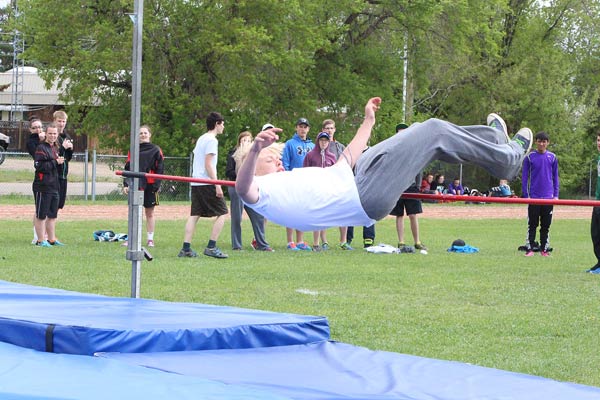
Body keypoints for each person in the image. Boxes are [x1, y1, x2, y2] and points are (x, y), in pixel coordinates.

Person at [235, 97, 532, 233]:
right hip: (365, 195)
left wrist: (368, 121)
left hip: (358, 175)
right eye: (269, 157)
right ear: (251, 163)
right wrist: (257, 149)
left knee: (419, 132)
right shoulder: (263, 192)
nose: (277, 159)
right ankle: (508, 159)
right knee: (433, 131)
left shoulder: (292, 179)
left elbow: (346, 159)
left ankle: (494, 138)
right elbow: (242, 186)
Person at [178, 112, 229, 259]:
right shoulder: (212, 140)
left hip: (196, 182)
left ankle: (185, 248)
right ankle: (211, 247)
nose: (223, 127)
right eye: (222, 124)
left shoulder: (201, 138)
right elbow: (208, 164)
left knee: (194, 215)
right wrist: (217, 184)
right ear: (217, 124)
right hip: (207, 182)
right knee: (223, 213)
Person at [226, 130, 273, 252]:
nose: (246, 142)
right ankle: (237, 245)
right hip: (235, 187)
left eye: (248, 140)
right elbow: (229, 171)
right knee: (237, 217)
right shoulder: (233, 153)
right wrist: (241, 176)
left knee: (258, 215)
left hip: (250, 188)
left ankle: (261, 244)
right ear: (239, 142)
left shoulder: (254, 155)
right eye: (243, 140)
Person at [123, 125, 165, 247]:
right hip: (136, 184)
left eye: (145, 133)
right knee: (134, 212)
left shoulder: (156, 149)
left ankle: (150, 239)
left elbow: (160, 168)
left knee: (149, 212)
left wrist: (157, 184)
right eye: (140, 133)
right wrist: (126, 183)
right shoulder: (133, 149)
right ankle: (132, 238)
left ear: (149, 135)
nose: (143, 135)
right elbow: (128, 167)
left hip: (151, 185)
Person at [389, 123, 427, 253]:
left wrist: (417, 185)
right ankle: (401, 241)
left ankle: (417, 241)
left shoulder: (414, 150)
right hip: (397, 187)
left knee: (413, 215)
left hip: (411, 187)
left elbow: (419, 168)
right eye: (400, 132)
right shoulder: (393, 149)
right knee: (399, 215)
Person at [521, 131, 559, 257]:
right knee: (532, 224)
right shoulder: (529, 157)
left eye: (544, 141)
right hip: (534, 197)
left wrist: (556, 195)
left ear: (548, 143)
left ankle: (544, 249)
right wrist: (526, 195)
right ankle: (530, 247)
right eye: (539, 141)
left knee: (546, 225)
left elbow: (555, 177)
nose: (542, 144)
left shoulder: (552, 157)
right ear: (536, 142)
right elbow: (525, 177)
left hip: (548, 197)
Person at [281, 117, 314, 251]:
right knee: (291, 211)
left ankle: (300, 240)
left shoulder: (312, 145)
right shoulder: (290, 144)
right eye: (300, 126)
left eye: (305, 127)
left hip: (306, 182)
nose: (303, 129)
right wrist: (287, 177)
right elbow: (285, 162)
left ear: (308, 129)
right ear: (296, 128)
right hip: (293, 181)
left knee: (302, 211)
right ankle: (290, 241)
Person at [322, 119, 354, 250]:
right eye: (327, 128)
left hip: (339, 183)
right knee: (323, 213)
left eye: (331, 128)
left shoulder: (340, 147)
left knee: (343, 212)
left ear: (334, 130)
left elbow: (347, 164)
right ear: (323, 130)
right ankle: (324, 242)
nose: (329, 130)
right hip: (324, 184)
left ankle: (343, 241)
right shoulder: (319, 146)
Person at [303, 131, 337, 251]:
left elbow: (334, 174)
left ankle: (324, 241)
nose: (324, 143)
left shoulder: (332, 156)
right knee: (316, 215)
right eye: (321, 140)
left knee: (325, 215)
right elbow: (305, 172)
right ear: (318, 141)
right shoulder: (310, 155)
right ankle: (316, 243)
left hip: (326, 190)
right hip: (314, 190)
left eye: (326, 140)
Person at [32, 123, 64, 247]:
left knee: (52, 214)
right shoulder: (41, 148)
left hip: (54, 186)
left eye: (55, 134)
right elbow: (39, 166)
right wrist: (55, 162)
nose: (52, 136)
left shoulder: (55, 148)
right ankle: (40, 240)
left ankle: (52, 239)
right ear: (46, 134)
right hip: (42, 186)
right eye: (50, 133)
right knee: (41, 214)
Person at [27, 118, 45, 244]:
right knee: (39, 208)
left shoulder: (47, 138)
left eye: (39, 126)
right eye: (34, 127)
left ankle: (46, 235)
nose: (38, 129)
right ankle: (37, 236)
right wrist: (42, 141)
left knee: (48, 209)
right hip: (40, 178)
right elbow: (38, 154)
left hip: (51, 178)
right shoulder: (31, 142)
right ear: (30, 129)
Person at [54, 110, 73, 211]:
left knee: (60, 204)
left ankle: (51, 225)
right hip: (54, 174)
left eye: (64, 121)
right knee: (52, 204)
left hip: (64, 175)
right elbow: (53, 154)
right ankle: (42, 227)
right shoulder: (53, 136)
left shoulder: (67, 136)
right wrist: (62, 148)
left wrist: (70, 149)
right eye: (59, 121)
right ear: (55, 121)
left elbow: (68, 158)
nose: (61, 124)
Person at [587, 132, 600, 273]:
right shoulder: (598, 158)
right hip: (597, 201)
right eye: (598, 140)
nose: (599, 143)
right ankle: (599, 262)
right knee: (595, 233)